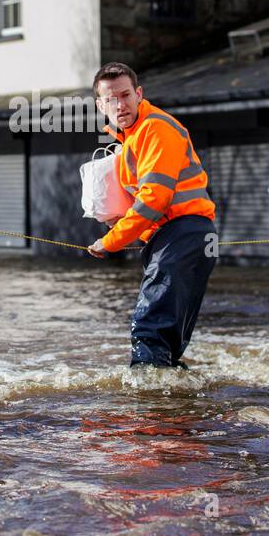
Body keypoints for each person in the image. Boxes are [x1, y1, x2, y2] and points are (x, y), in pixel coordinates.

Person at [87, 62, 217, 368]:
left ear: (139, 94)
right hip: (181, 238)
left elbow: (153, 201)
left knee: (149, 329)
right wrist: (119, 222)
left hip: (183, 235)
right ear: (99, 105)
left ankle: (148, 407)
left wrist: (110, 241)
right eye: (110, 99)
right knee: (167, 340)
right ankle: (173, 405)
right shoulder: (130, 138)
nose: (119, 104)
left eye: (125, 95)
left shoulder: (155, 128)